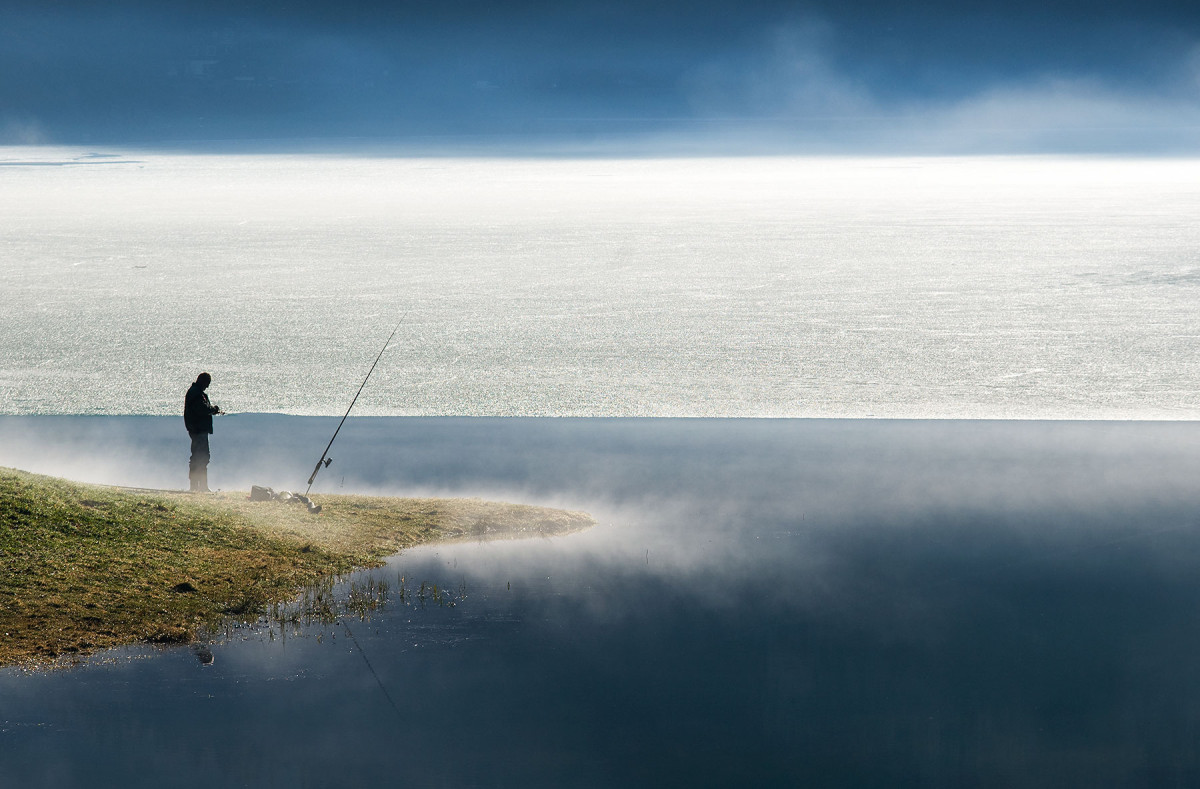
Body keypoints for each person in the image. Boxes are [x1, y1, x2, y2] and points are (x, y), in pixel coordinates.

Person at [183, 372, 222, 492]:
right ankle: (198, 486)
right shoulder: (196, 393)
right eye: (207, 383)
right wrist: (213, 409)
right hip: (198, 430)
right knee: (199, 457)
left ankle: (200, 486)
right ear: (203, 381)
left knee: (201, 457)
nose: (207, 386)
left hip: (198, 430)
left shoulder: (197, 393)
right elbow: (201, 409)